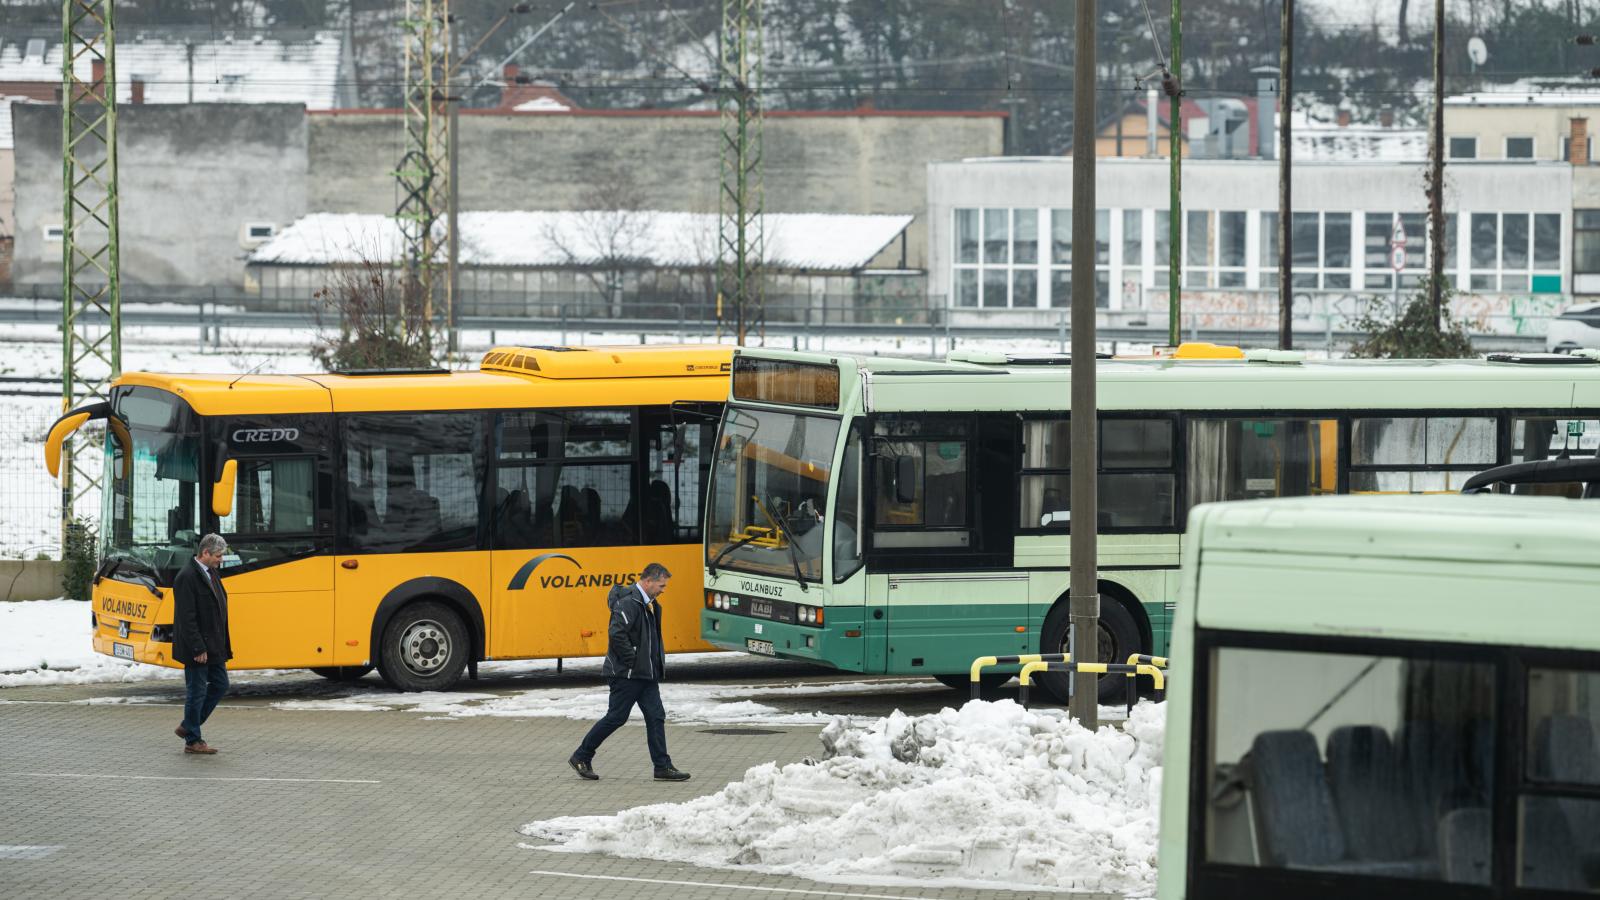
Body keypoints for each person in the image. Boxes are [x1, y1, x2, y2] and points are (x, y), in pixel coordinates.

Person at [568, 562, 690, 782]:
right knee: (616, 717)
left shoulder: (649, 603)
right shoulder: (629, 602)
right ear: (648, 581)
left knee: (656, 717)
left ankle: (662, 767)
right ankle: (581, 756)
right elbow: (617, 634)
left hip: (646, 674)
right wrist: (632, 661)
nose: (663, 590)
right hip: (627, 674)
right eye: (661, 585)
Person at [172, 533, 233, 755]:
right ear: (205, 553)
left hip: (214, 645)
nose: (221, 560)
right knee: (196, 691)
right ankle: (193, 740)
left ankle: (189, 725)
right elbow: (186, 618)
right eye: (218, 555)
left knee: (220, 684)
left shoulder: (210, 572)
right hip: (198, 648)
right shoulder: (187, 577)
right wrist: (198, 648)